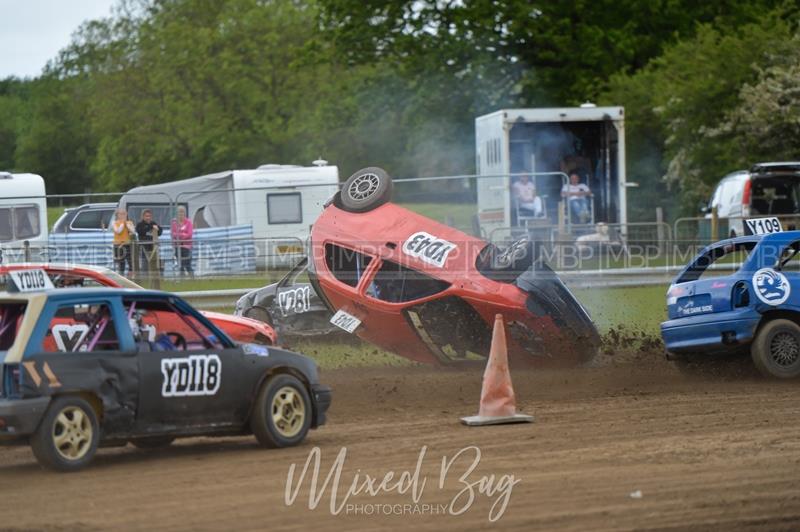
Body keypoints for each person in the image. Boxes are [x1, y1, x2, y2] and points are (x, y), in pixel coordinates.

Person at [136, 209, 163, 274]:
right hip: (144, 247)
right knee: (145, 262)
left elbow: (160, 232)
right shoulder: (140, 224)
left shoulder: (153, 223)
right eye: (146, 216)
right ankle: (145, 276)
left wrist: (157, 229)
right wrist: (151, 227)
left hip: (153, 247)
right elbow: (141, 231)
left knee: (155, 261)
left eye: (149, 216)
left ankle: (155, 275)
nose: (148, 218)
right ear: (143, 216)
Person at [171, 206, 194, 277]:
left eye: (182, 212)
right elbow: (173, 234)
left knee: (187, 264)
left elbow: (189, 234)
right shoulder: (174, 223)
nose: (181, 214)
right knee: (180, 264)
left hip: (187, 246)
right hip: (177, 246)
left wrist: (179, 235)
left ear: (185, 213)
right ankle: (182, 278)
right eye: (179, 212)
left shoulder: (189, 222)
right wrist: (183, 234)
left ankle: (192, 278)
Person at [112, 208, 135, 275]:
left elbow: (133, 231)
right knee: (120, 262)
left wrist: (127, 225)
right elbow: (118, 231)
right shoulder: (115, 223)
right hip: (118, 244)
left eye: (124, 214)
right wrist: (123, 223)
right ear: (117, 215)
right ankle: (121, 276)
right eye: (121, 214)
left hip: (127, 244)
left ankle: (130, 277)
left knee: (130, 262)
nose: (123, 215)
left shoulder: (129, 222)